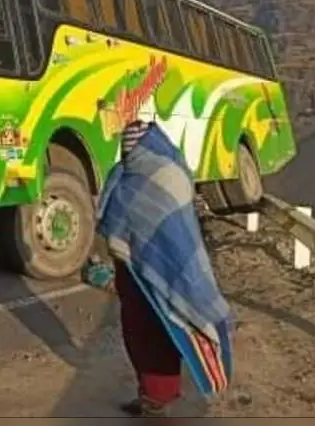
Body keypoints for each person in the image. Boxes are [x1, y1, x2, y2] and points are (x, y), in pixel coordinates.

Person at [96, 120, 233, 417]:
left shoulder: (141, 178)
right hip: (152, 268)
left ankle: (156, 397)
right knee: (160, 327)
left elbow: (115, 220)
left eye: (129, 147)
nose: (127, 152)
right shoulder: (171, 170)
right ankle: (154, 393)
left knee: (149, 331)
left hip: (145, 273)